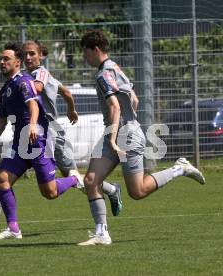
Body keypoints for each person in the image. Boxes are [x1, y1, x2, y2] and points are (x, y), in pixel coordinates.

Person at [0, 40, 123, 232]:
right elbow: (66, 91)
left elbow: (38, 89)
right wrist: (70, 109)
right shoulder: (23, 78)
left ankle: (110, 189)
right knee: (4, 175)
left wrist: (19, 87)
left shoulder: (39, 74)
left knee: (70, 177)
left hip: (49, 132)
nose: (28, 58)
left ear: (41, 55)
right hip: (27, 134)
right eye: (25, 54)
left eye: (32, 54)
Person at [78, 29, 205, 246]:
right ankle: (102, 233)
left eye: (85, 53)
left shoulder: (102, 75)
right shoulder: (116, 69)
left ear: (95, 49)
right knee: (91, 180)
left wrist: (113, 138)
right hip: (120, 132)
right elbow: (134, 100)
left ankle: (180, 168)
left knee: (137, 191)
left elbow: (116, 106)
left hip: (123, 136)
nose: (84, 58)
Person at [0, 41, 82, 239]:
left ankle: (75, 179)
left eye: (6, 59)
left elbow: (33, 105)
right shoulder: (7, 87)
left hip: (37, 140)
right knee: (3, 180)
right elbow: (2, 121)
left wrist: (33, 124)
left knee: (49, 192)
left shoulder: (24, 81)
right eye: (0, 58)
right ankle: (13, 228)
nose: (1, 62)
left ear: (17, 62)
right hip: (18, 143)